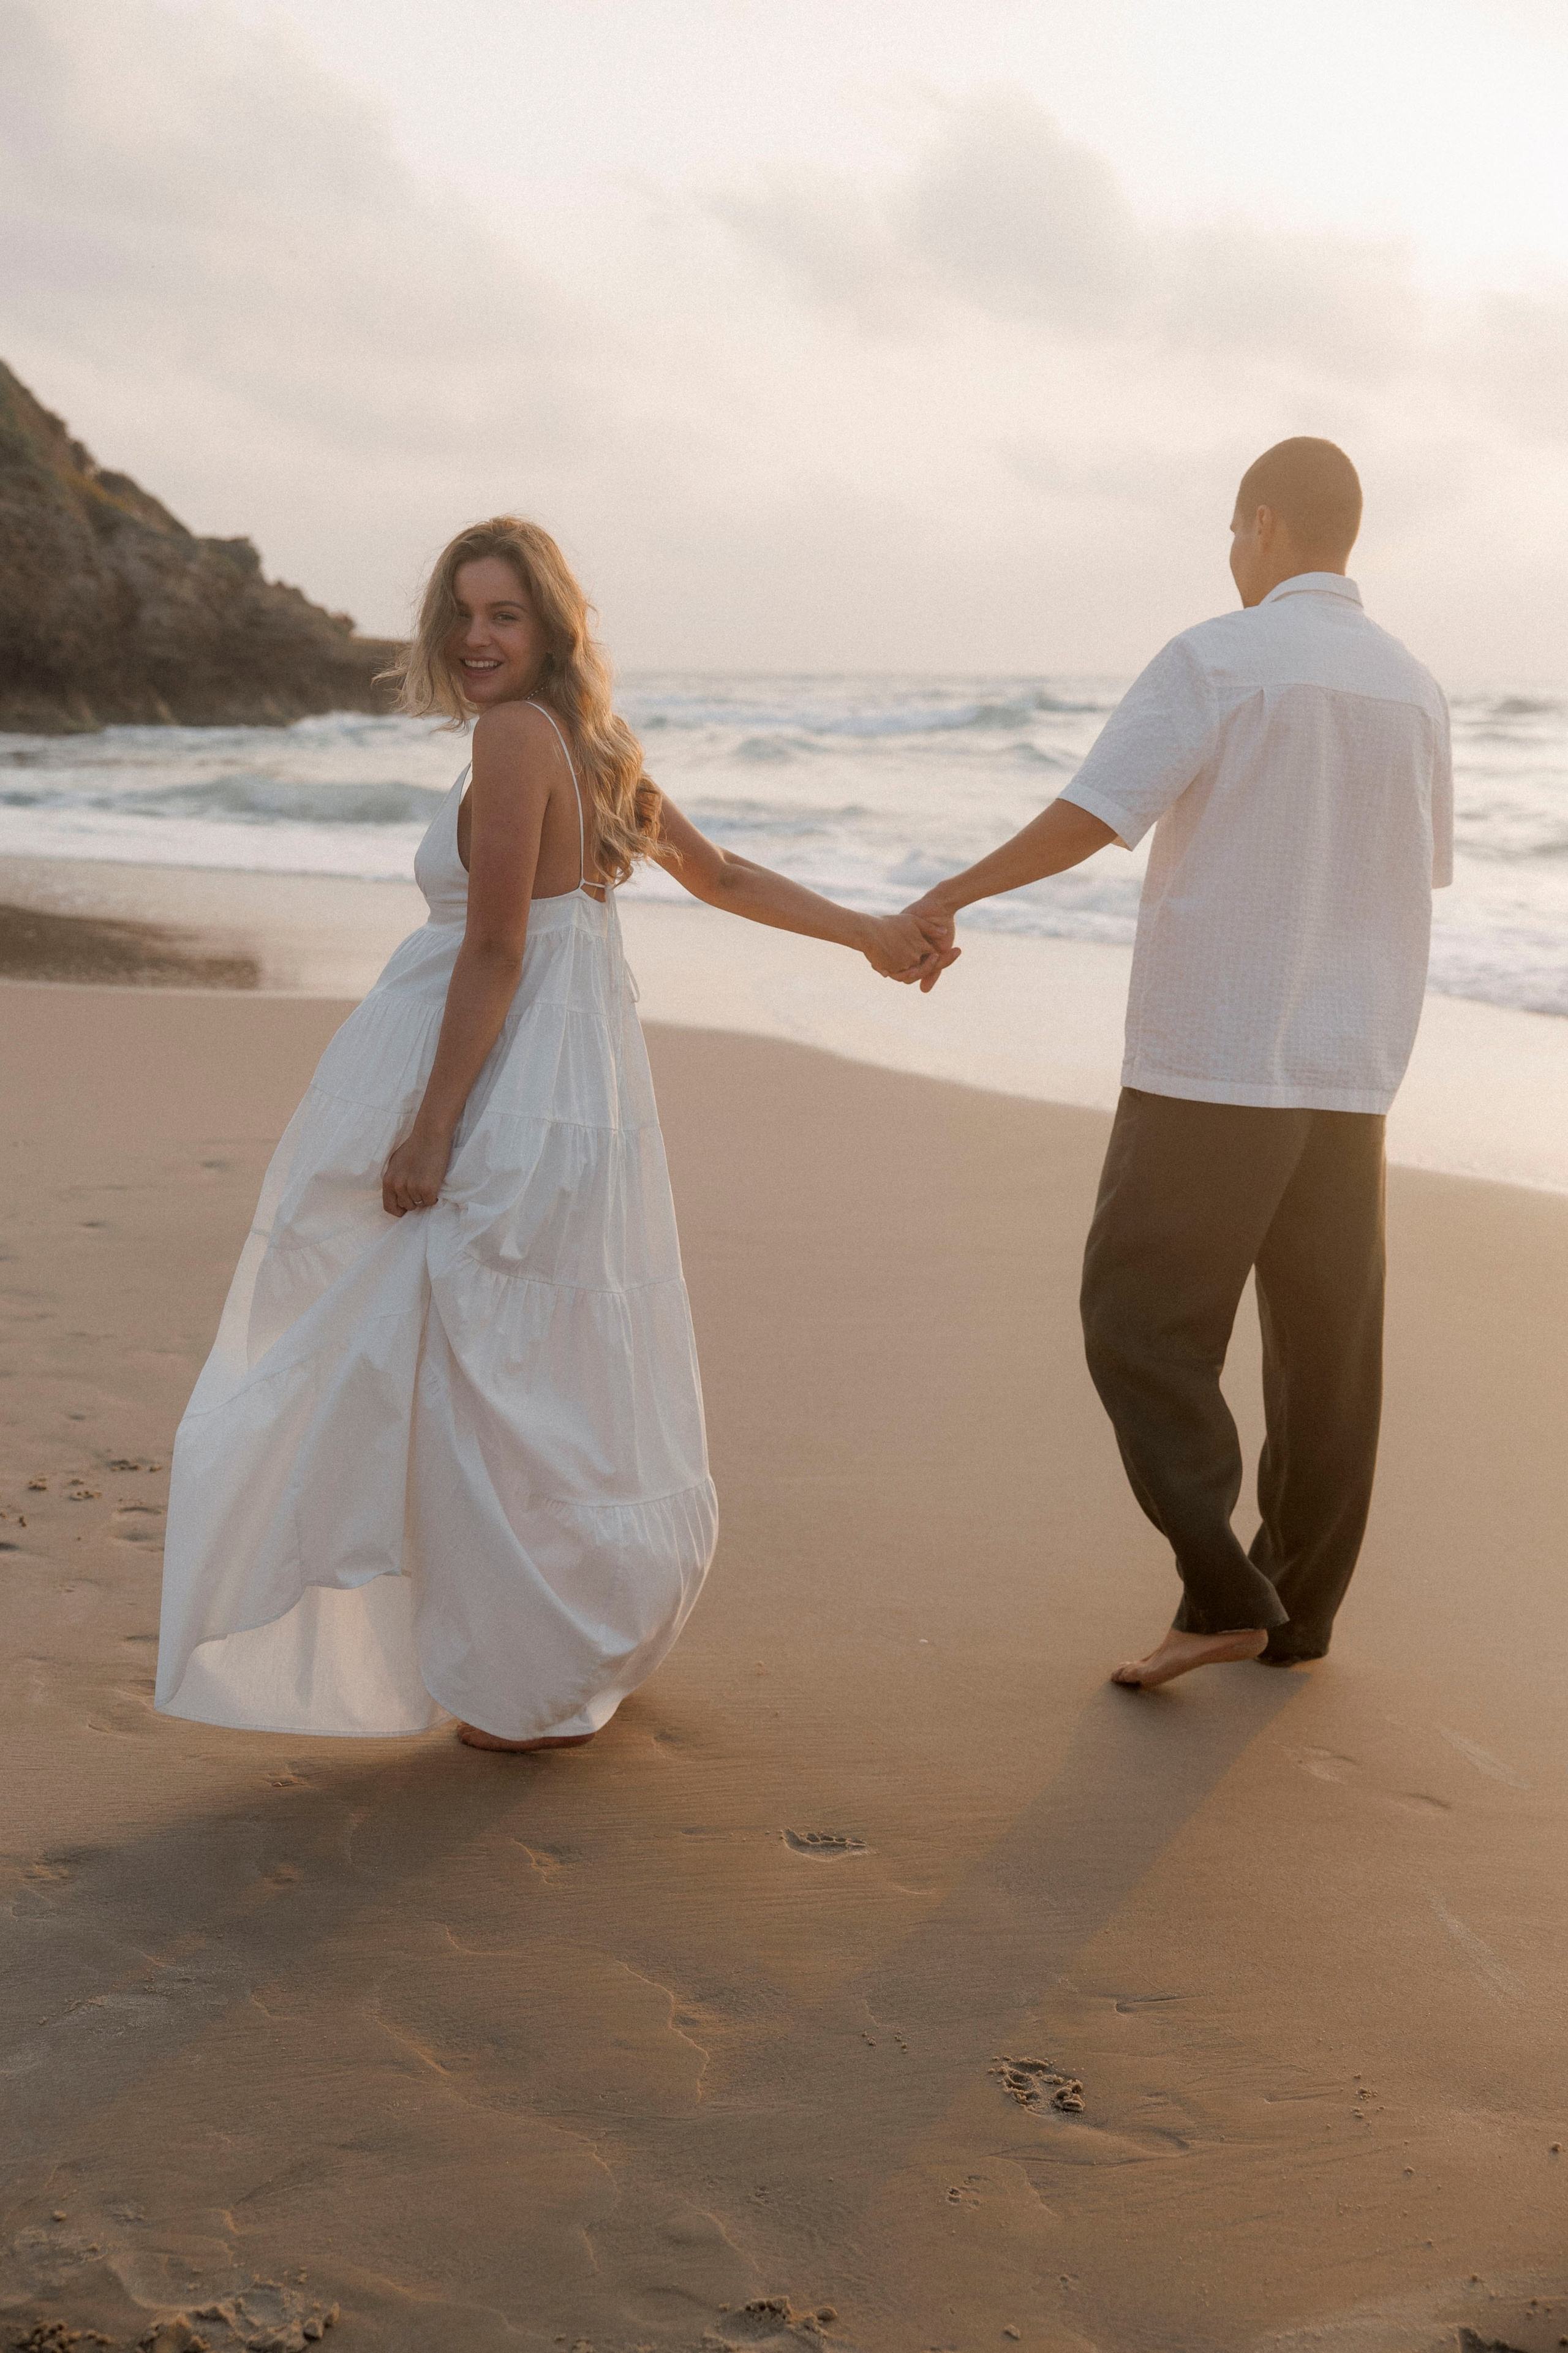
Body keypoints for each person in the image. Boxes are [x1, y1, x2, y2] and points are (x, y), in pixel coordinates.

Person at [156, 518, 942, 1750]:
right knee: (534, 1364)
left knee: (464, 1362)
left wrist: (429, 1127)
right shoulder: (591, 738)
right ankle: (554, 1644)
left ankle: (523, 1670)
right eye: (462, 613)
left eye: (503, 614)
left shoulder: (517, 736)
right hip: (576, 1083)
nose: (476, 637)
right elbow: (719, 875)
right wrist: (870, 934)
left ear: (550, 625)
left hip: (509, 1076)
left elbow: (497, 942)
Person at [905, 439, 1453, 1688]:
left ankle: (1220, 1588)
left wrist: (952, 891)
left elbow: (1097, 811)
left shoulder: (1217, 654)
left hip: (1214, 1057)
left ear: (1260, 524)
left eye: (1229, 528)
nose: (1228, 553)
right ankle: (1294, 1614)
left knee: (1134, 1324)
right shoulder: (1411, 685)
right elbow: (1411, 875)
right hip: (1350, 1065)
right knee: (1324, 1351)